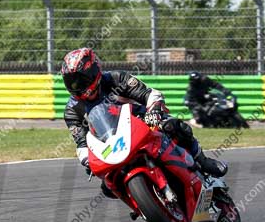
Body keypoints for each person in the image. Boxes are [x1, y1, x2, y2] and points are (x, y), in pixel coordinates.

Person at [61, 49, 228, 186]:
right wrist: (87, 160)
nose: (77, 86)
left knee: (174, 126)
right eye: (72, 82)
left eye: (80, 79)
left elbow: (149, 94)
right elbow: (81, 143)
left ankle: (202, 160)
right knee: (108, 187)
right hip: (112, 145)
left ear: (94, 71)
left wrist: (154, 109)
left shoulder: (116, 79)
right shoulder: (72, 110)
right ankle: (144, 204)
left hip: (143, 121)